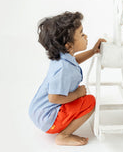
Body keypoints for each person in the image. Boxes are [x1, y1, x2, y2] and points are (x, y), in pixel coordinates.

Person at [29, 11, 105, 145]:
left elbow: (75, 60)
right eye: (81, 34)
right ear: (68, 46)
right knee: (90, 102)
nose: (85, 36)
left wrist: (93, 51)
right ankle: (63, 135)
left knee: (83, 99)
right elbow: (53, 98)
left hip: (40, 113)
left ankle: (62, 128)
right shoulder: (63, 68)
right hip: (48, 119)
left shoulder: (63, 58)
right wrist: (77, 94)